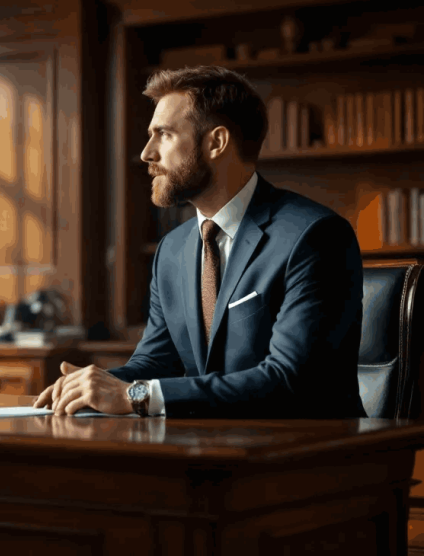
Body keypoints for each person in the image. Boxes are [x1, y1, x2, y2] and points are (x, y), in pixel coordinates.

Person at [35, 65, 366, 419]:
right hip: (210, 442)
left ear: (216, 143)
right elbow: (156, 362)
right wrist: (90, 386)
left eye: (163, 134)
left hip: (310, 447)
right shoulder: (172, 249)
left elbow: (288, 378)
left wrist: (136, 396)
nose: (147, 153)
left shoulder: (315, 236)